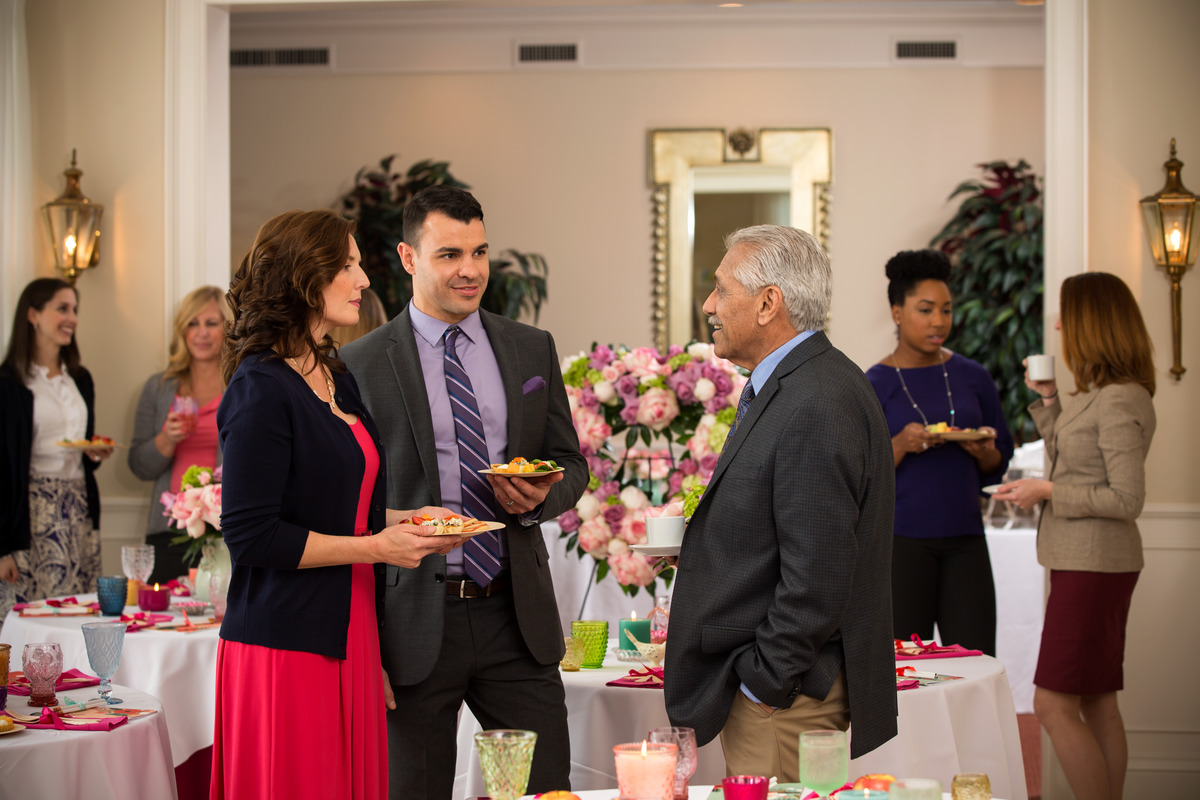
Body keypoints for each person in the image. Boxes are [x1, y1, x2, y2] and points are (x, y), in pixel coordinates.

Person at [341, 185, 587, 800]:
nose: (470, 270)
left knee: (546, 792)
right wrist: (362, 647)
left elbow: (571, 463)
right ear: (407, 257)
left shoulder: (532, 347)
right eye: (449, 254)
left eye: (479, 252)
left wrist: (542, 496)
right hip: (411, 625)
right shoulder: (359, 365)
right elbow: (348, 505)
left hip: (516, 613)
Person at [210, 209, 464, 799]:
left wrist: (411, 523)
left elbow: (340, 508)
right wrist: (378, 546)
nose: (364, 280)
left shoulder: (334, 375)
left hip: (350, 635)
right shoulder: (259, 388)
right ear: (306, 277)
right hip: (285, 645)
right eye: (348, 265)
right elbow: (252, 537)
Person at [664, 224, 898, 778]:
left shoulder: (814, 399)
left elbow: (818, 575)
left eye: (722, 289)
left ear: (769, 303)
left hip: (785, 702)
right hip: (785, 692)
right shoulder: (803, 382)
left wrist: (763, 685)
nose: (708, 305)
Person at [995, 271, 1155, 800]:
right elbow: (1078, 457)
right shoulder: (1100, 395)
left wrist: (1047, 489)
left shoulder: (1118, 400)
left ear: (1093, 322)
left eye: (1067, 315)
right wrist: (1047, 400)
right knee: (1098, 700)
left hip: (1094, 566)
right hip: (1085, 562)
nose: (1060, 325)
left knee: (1052, 705)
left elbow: (1126, 500)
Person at [865, 249, 1014, 655]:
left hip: (966, 541)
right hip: (900, 546)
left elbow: (998, 461)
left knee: (977, 661)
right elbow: (859, 474)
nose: (938, 321)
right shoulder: (874, 384)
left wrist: (982, 449)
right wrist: (900, 444)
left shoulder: (973, 377)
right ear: (897, 312)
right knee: (900, 666)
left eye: (946, 310)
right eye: (926, 309)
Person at [1, 278, 111, 619]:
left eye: (75, 310)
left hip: (78, 508)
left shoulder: (80, 378)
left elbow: (82, 448)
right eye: (62, 308)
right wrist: (2, 548)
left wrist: (93, 453)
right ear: (32, 315)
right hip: (32, 514)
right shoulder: (10, 383)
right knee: (30, 618)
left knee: (76, 615)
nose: (72, 318)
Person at [128, 285, 229, 583]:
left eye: (212, 323)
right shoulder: (159, 388)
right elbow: (138, 466)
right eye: (192, 324)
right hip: (168, 528)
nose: (202, 333)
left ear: (228, 328)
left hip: (223, 528)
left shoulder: (240, 385)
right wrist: (166, 440)